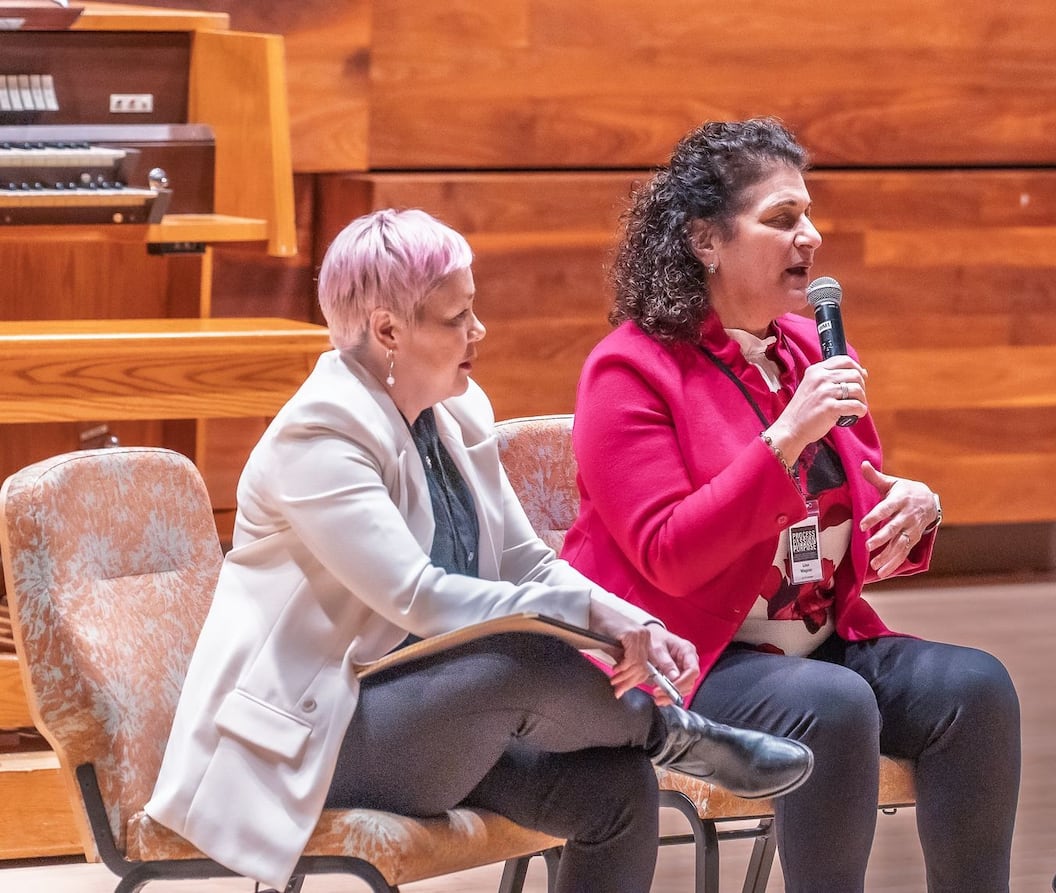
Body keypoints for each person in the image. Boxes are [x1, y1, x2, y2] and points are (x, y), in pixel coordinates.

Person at [144, 208, 814, 893]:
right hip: (316, 734)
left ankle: (660, 739)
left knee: (614, 786)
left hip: (430, 714)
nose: (479, 330)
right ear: (387, 331)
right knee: (516, 658)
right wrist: (588, 619)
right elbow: (418, 596)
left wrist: (626, 616)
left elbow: (526, 560)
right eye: (457, 316)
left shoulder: (457, 409)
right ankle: (670, 732)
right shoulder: (319, 435)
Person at [560, 118, 1022, 893]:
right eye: (781, 218)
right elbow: (669, 553)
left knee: (976, 688)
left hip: (810, 644)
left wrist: (916, 506)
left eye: (808, 214)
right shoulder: (629, 370)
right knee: (832, 704)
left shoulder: (813, 350)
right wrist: (783, 437)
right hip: (686, 659)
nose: (810, 235)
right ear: (706, 240)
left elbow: (845, 523)